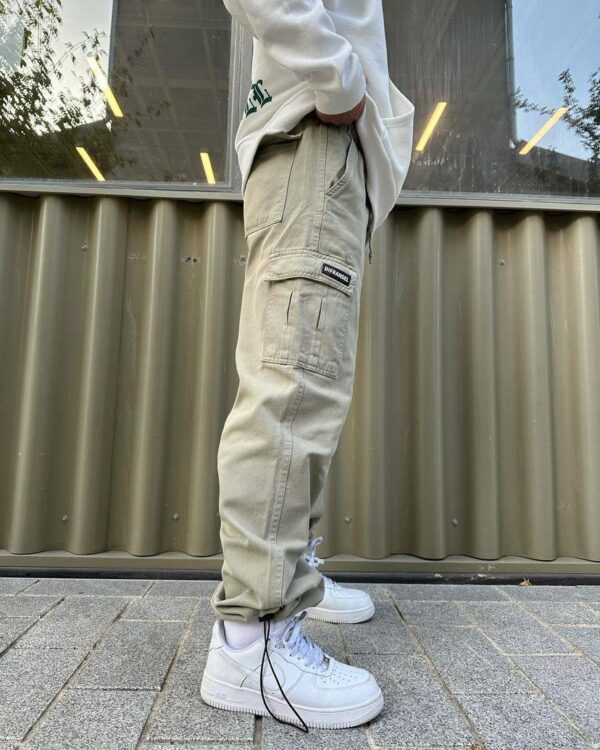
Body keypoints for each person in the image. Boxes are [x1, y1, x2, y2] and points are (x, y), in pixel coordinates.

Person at [201, 0, 415, 733]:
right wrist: (339, 78)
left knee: (310, 385)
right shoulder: (326, 94)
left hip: (325, 144)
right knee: (292, 384)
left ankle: (292, 576)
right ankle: (251, 641)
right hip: (315, 131)